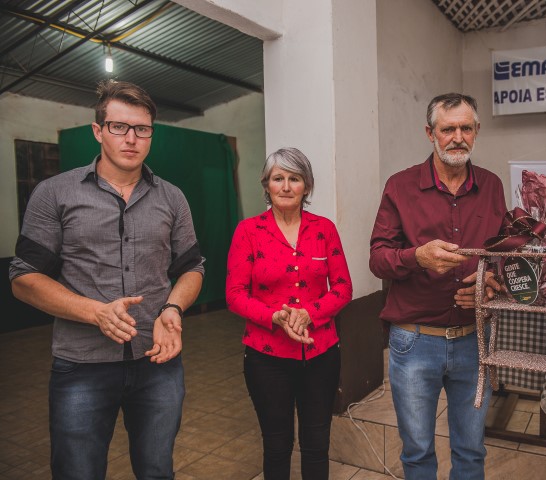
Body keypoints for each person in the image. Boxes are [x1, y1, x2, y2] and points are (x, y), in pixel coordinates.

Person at [9, 80, 204, 479]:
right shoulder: (55, 193)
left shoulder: (172, 198)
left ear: (151, 134)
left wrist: (173, 308)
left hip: (157, 361)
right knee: (77, 472)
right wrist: (95, 312)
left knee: (156, 470)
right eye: (119, 127)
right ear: (98, 131)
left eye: (142, 129)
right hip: (82, 364)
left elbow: (192, 268)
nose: (131, 139)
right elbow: (24, 277)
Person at [369, 93, 506, 479]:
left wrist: (492, 281)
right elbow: (378, 259)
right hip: (415, 341)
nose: (457, 137)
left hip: (474, 339)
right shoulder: (400, 186)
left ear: (476, 131)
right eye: (448, 129)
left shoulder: (492, 186)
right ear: (430, 133)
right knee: (417, 452)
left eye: (466, 128)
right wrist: (417, 257)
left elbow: (502, 254)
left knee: (471, 451)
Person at [226, 147, 352, 480]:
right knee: (277, 444)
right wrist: (274, 317)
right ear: (266, 184)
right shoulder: (249, 231)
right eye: (277, 178)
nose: (285, 186)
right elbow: (235, 295)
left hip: (321, 354)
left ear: (306, 186)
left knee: (316, 444)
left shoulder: (324, 229)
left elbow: (342, 288)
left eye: (294, 179)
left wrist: (309, 313)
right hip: (266, 358)